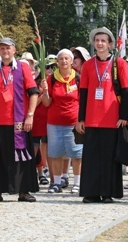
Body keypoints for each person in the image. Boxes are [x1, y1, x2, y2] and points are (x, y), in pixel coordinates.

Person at [76, 27, 128, 204]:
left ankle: (108, 192)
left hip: (112, 120)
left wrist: (125, 116)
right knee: (91, 158)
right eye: (97, 40)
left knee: (110, 159)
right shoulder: (88, 65)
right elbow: (84, 93)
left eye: (103, 41)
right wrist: (81, 119)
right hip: (92, 119)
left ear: (110, 44)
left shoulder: (119, 64)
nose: (99, 43)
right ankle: (91, 192)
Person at [0, 37, 40, 203]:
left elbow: (33, 92)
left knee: (21, 157)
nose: (5, 51)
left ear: (14, 50)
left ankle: (23, 191)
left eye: (8, 48)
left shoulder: (23, 67)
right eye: (2, 48)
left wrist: (30, 115)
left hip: (18, 121)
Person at [40, 49, 82, 195]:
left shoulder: (78, 78)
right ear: (57, 62)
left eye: (66, 59)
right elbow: (46, 103)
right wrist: (45, 91)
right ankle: (56, 182)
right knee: (55, 153)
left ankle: (77, 183)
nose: (64, 61)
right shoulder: (51, 79)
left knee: (76, 154)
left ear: (71, 61)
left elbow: (83, 101)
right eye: (61, 59)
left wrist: (81, 120)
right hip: (55, 122)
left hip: (73, 121)